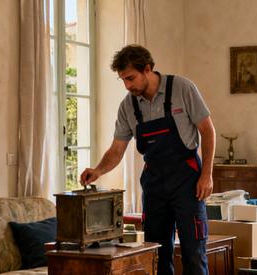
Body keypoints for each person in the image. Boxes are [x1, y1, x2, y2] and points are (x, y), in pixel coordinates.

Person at [80, 44, 215, 275]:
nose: (127, 85)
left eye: (131, 78)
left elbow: (207, 131)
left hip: (188, 182)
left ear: (148, 69)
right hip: (154, 185)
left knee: (193, 253)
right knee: (157, 255)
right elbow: (116, 150)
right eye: (123, 80)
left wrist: (207, 175)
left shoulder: (182, 88)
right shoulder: (128, 106)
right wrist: (98, 170)